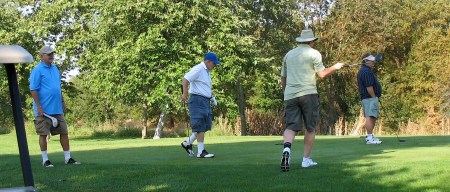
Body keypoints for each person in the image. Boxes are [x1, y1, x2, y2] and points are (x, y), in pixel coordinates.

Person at [280, 29, 344, 172]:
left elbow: (283, 77)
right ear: (311, 41)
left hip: (290, 95)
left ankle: (287, 150)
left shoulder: (288, 55)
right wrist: (335, 67)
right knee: (310, 127)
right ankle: (306, 160)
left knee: (291, 126)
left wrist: (286, 93)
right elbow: (322, 74)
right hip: (308, 94)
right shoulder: (314, 53)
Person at [29, 45, 80, 167]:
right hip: (43, 110)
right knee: (43, 134)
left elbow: (58, 88)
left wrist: (62, 101)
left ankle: (68, 158)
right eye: (48, 54)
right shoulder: (37, 70)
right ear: (42, 57)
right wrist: (39, 107)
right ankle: (45, 160)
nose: (51, 55)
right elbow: (33, 90)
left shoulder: (55, 68)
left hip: (56, 109)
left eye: (52, 53)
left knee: (64, 132)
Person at [180, 52, 220, 158]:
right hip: (197, 100)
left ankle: (187, 142)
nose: (215, 66)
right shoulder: (198, 69)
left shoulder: (207, 71)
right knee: (199, 126)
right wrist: (185, 94)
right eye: (214, 63)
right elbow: (185, 79)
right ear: (208, 62)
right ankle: (201, 152)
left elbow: (205, 87)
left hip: (205, 101)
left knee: (206, 125)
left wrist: (212, 97)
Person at [357, 53, 382, 144]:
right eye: (372, 61)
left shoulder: (366, 70)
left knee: (372, 116)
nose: (374, 62)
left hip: (369, 98)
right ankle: (369, 138)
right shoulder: (366, 72)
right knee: (370, 116)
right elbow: (369, 86)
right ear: (366, 61)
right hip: (369, 98)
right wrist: (374, 97)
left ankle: (370, 136)